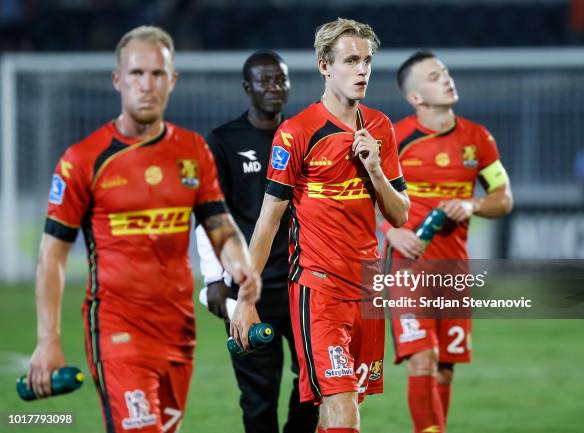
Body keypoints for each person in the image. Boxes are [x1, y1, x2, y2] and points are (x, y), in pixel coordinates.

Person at [27, 26, 261, 433]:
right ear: (118, 80)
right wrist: (48, 339)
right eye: (136, 73)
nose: (147, 85)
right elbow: (53, 255)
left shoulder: (192, 152)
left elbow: (219, 223)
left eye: (157, 74)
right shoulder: (83, 160)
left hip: (178, 329)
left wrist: (239, 263)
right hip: (116, 328)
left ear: (172, 81)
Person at [231, 18, 410, 433]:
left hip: (368, 286)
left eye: (367, 61)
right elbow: (268, 220)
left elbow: (400, 214)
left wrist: (376, 171)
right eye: (351, 60)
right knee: (343, 404)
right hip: (319, 287)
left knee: (336, 407)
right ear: (324, 65)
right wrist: (246, 298)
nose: (362, 70)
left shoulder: (380, 128)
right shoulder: (296, 133)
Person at [381, 50, 513, 433]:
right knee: (423, 360)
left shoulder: (479, 138)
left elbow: (503, 198)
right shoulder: (396, 138)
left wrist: (472, 204)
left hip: (454, 267)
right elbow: (365, 193)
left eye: (446, 73)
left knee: (444, 369)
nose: (447, 79)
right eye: (434, 76)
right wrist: (394, 231)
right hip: (407, 266)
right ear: (416, 98)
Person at [195, 50, 318, 433]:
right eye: (264, 81)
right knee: (258, 396)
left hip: (305, 284)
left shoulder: (305, 136)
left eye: (280, 79)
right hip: (249, 288)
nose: (274, 87)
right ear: (247, 87)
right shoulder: (223, 142)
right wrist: (214, 278)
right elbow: (207, 215)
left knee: (314, 387)